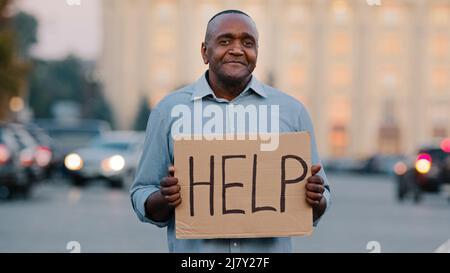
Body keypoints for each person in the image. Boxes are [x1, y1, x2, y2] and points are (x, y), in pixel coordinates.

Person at [130, 9, 331, 253]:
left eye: (248, 43)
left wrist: (315, 197)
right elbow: (142, 192)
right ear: (205, 52)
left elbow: (319, 203)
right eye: (225, 41)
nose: (237, 49)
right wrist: (165, 198)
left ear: (257, 53)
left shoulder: (291, 112)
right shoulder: (169, 111)